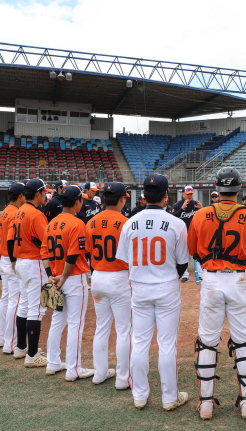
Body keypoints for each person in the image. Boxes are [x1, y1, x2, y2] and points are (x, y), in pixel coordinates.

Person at [188, 167, 246, 420]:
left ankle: (206, 403)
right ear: (239, 189)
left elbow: (193, 251)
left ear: (217, 189)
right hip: (240, 278)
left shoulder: (200, 214)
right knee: (243, 341)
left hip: (211, 279)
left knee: (207, 342)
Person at [116, 174, 190, 410]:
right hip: (167, 285)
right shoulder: (176, 223)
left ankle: (139, 395)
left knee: (139, 342)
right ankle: (169, 398)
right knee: (167, 344)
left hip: (139, 287)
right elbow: (181, 265)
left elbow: (125, 260)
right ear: (166, 195)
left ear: (143, 196)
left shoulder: (129, 223)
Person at [42, 185, 94, 380]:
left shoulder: (51, 223)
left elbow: (44, 253)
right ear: (78, 202)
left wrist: (51, 275)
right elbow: (73, 254)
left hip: (55, 278)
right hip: (72, 278)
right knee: (75, 324)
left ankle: (53, 363)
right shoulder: (77, 223)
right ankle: (74, 369)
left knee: (57, 321)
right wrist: (63, 276)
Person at [87, 183, 130, 388]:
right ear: (122, 199)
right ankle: (122, 378)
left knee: (101, 328)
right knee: (123, 330)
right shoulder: (126, 222)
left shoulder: (92, 221)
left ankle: (99, 373)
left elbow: (87, 250)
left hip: (97, 277)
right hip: (119, 277)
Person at [7, 178, 49, 367]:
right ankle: (32, 355)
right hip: (33, 262)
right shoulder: (35, 213)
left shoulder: (20, 210)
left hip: (21, 262)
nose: (46, 195)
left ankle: (21, 347)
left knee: (23, 304)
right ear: (38, 193)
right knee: (36, 309)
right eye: (44, 192)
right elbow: (46, 242)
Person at [0, 183, 26, 353]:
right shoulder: (16, 213)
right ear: (20, 196)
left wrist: (0, 260)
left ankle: (1, 338)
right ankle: (10, 344)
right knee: (15, 300)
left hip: (4, 259)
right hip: (12, 260)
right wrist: (13, 260)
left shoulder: (5, 211)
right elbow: (12, 240)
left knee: (5, 298)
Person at [171, 185, 203, 282]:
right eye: (187, 194)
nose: (189, 196)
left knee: (197, 254)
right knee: (183, 254)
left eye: (191, 194)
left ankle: (201, 274)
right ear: (183, 194)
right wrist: (182, 208)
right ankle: (185, 275)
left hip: (194, 232)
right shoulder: (177, 205)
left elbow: (204, 217)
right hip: (182, 233)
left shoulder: (195, 204)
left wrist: (202, 209)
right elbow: (172, 217)